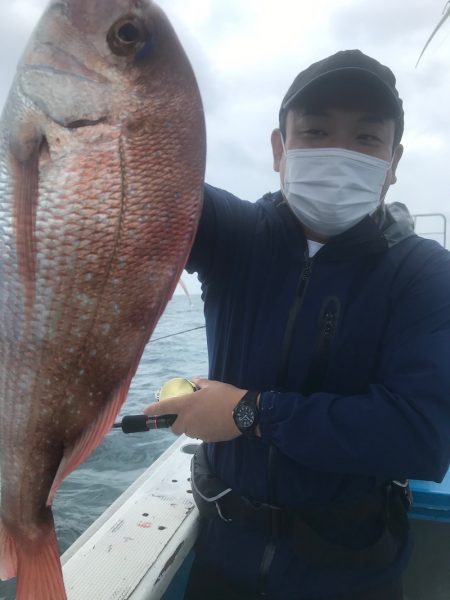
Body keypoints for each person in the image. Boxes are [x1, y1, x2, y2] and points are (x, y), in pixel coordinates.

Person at [145, 50, 450, 600]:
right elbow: (139, 185)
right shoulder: (233, 233)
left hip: (354, 573)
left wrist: (250, 412)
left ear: (393, 160)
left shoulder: (424, 272)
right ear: (278, 149)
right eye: (314, 130)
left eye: (365, 138)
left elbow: (421, 437)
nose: (339, 152)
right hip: (222, 561)